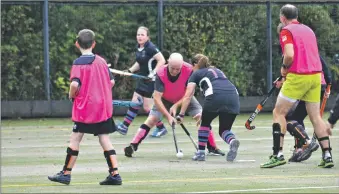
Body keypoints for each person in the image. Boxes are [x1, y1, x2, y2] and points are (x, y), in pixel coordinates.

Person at [260, 4, 333, 168]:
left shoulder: (286, 30)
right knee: (316, 117)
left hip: (298, 76)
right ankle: (327, 156)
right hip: (316, 77)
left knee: (279, 112)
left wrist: (284, 70)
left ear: (282, 17)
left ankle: (277, 154)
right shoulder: (308, 30)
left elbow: (290, 54)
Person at [47, 29, 122, 185]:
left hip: (86, 109)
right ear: (94, 44)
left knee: (75, 137)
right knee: (104, 138)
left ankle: (66, 173)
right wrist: (101, 92)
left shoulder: (78, 63)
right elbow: (112, 82)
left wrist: (71, 95)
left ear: (76, 44)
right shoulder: (101, 61)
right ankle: (115, 174)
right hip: (102, 108)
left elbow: (75, 84)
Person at [124, 53, 224, 157]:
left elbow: (189, 94)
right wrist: (168, 116)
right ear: (168, 62)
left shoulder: (189, 70)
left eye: (178, 69)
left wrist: (179, 110)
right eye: (173, 68)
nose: (175, 71)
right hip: (165, 99)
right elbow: (157, 98)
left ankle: (212, 148)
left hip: (185, 98)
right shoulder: (161, 73)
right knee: (152, 119)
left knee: (201, 117)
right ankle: (133, 145)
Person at [275, 23, 332, 162]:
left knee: (286, 117)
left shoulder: (291, 47)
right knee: (304, 118)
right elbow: (323, 66)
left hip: (304, 82)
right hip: (319, 82)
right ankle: (325, 155)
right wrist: (328, 84)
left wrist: (283, 78)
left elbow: (293, 67)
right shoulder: (308, 46)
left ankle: (304, 143)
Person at [177, 54, 240, 162]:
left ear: (194, 65)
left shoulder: (195, 73)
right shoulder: (217, 70)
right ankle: (232, 141)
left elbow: (188, 96)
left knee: (204, 124)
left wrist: (181, 114)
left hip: (214, 97)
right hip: (233, 98)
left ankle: (201, 153)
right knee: (224, 129)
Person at [116, 26, 167, 137]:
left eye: (142, 35)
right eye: (138, 34)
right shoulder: (139, 47)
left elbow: (162, 60)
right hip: (142, 79)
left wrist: (152, 74)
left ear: (147, 37)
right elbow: (139, 62)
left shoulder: (150, 47)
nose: (139, 37)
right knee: (135, 102)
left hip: (151, 81)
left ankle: (161, 128)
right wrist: (129, 70)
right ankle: (124, 127)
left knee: (147, 108)